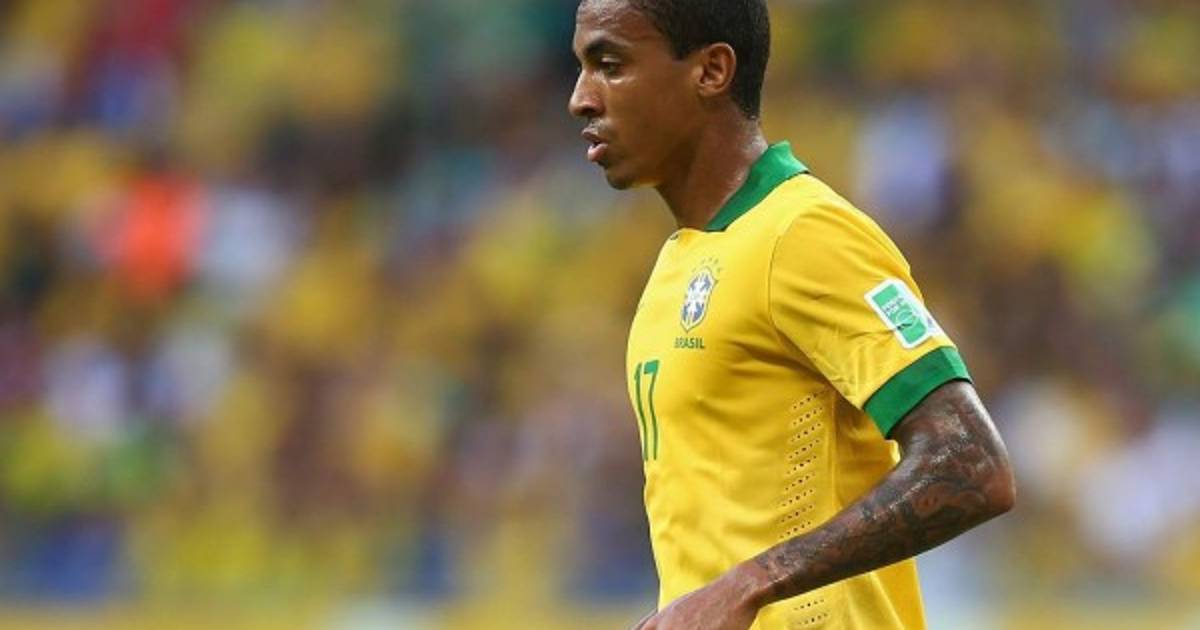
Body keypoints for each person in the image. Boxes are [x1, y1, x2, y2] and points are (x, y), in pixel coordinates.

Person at [567, 1, 1016, 629]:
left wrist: (752, 583)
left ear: (711, 71)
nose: (580, 99)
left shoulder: (804, 233)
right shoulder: (677, 264)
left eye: (610, 65)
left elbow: (971, 464)